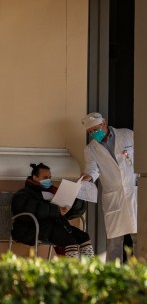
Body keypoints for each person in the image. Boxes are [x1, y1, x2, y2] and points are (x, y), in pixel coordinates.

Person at [80, 112, 137, 263]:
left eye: (95, 129)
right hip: (114, 196)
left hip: (133, 191)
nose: (93, 134)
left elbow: (144, 155)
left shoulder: (127, 134)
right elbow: (92, 168)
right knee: (114, 241)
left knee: (138, 236)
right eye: (90, 132)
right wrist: (89, 176)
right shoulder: (90, 149)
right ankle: (113, 275)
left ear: (104, 124)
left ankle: (140, 270)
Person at [11, 162, 94, 258]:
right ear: (35, 177)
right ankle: (72, 270)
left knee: (84, 237)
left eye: (50, 177)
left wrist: (75, 201)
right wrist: (56, 210)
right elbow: (32, 208)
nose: (49, 180)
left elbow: (72, 213)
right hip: (32, 228)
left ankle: (89, 267)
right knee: (69, 240)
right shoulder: (23, 194)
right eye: (45, 177)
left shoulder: (53, 192)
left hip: (53, 225)